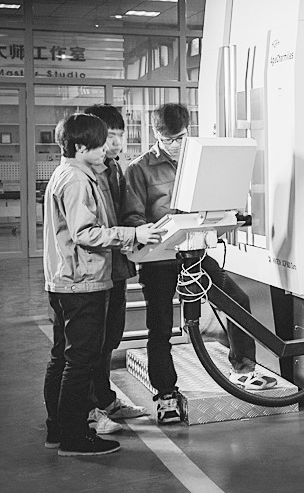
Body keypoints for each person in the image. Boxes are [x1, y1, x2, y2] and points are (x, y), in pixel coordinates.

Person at [121, 103, 274, 424]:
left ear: (188, 131)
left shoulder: (200, 161)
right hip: (159, 259)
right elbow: (133, 216)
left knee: (238, 301)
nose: (174, 145)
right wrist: (156, 229)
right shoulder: (139, 169)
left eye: (179, 138)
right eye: (167, 139)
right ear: (155, 134)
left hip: (196, 252)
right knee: (161, 326)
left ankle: (244, 370)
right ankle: (166, 394)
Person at [43, 113, 162, 456]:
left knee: (64, 358)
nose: (107, 150)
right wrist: (133, 234)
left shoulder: (71, 173)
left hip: (67, 279)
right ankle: (74, 436)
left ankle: (58, 430)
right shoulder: (77, 180)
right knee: (81, 361)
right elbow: (85, 233)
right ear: (80, 147)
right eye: (100, 145)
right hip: (82, 282)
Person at [81, 104, 150, 435]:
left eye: (120, 136)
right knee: (90, 345)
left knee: (110, 338)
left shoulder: (115, 170)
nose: (117, 143)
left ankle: (105, 400)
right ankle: (89, 410)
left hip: (116, 268)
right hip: (93, 273)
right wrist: (130, 235)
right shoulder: (84, 176)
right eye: (110, 136)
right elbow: (86, 231)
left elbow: (124, 214)